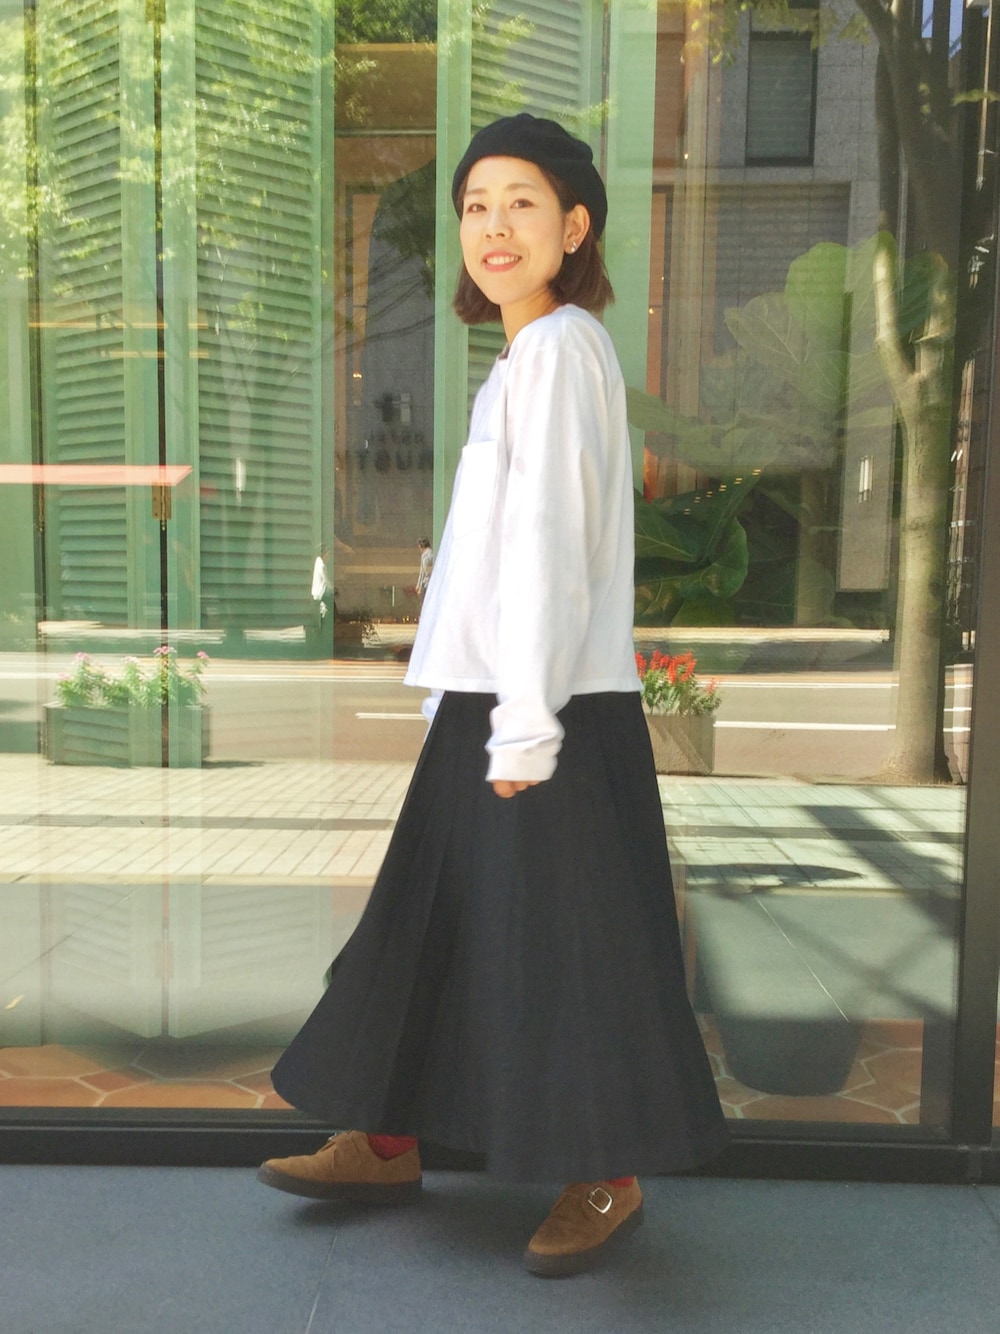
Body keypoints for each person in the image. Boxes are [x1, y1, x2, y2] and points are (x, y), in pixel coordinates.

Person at [258, 113, 728, 1278]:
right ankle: (386, 1139)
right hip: (500, 701)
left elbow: (551, 548)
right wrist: (462, 703)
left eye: (522, 202)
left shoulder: (562, 349)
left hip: (547, 711)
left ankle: (606, 1173)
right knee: (435, 924)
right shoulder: (526, 358)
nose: (493, 225)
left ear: (574, 227)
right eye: (475, 205)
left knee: (573, 946)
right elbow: (490, 555)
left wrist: (521, 724)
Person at [415, 537, 434, 605]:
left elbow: (423, 572)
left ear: (422, 547)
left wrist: (419, 586)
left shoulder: (425, 557)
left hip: (427, 582)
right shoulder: (433, 554)